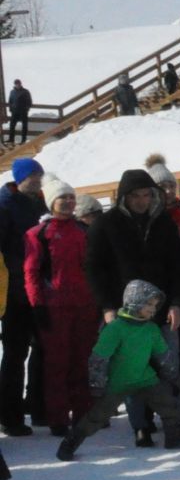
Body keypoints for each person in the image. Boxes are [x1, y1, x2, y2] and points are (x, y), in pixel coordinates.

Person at [84, 168, 180, 447]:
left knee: (167, 365)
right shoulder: (105, 224)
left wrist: (176, 302)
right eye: (136, 196)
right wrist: (107, 306)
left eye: (146, 195)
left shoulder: (164, 223)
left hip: (161, 307)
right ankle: (140, 426)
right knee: (130, 368)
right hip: (124, 310)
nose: (142, 201)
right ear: (123, 197)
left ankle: (173, 425)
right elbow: (94, 269)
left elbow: (177, 266)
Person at [55, 280, 180, 460]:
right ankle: (70, 443)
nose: (153, 310)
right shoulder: (115, 329)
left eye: (154, 306)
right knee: (96, 417)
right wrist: (97, 385)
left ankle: (174, 438)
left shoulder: (151, 329)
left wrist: (172, 378)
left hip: (146, 379)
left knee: (169, 405)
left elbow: (164, 356)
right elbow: (98, 359)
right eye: (149, 305)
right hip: (118, 383)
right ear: (135, 302)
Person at [23, 176, 96, 437]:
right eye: (62, 198)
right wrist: (37, 306)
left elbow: (95, 268)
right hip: (55, 307)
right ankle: (57, 417)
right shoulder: (38, 234)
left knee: (82, 361)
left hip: (85, 305)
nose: (67, 202)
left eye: (71, 197)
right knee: (57, 364)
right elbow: (30, 272)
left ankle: (83, 414)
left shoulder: (84, 231)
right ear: (51, 201)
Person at [0, 158, 47, 435]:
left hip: (39, 288)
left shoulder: (38, 201)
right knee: (16, 352)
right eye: (33, 176)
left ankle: (37, 405)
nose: (38, 180)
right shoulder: (5, 205)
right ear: (20, 178)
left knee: (42, 348)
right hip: (15, 291)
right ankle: (10, 414)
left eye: (40, 175)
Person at [6, 80, 31, 145]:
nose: (17, 85)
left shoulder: (25, 91)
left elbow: (29, 101)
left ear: (20, 84)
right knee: (12, 125)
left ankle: (23, 140)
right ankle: (11, 139)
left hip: (23, 111)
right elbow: (10, 101)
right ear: (14, 84)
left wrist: (26, 109)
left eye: (18, 83)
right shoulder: (12, 92)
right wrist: (11, 109)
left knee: (24, 126)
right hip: (14, 112)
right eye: (16, 84)